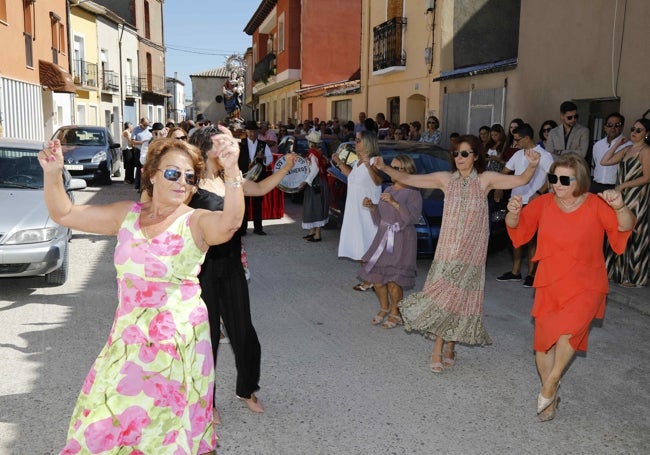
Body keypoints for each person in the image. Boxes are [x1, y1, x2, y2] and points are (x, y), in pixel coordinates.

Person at [43, 134, 244, 454]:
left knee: (167, 431)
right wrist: (52, 174)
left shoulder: (196, 221)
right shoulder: (128, 215)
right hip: (126, 342)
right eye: (172, 173)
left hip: (178, 346)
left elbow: (230, 223)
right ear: (152, 174)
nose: (182, 182)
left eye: (189, 177)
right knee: (108, 421)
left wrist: (232, 172)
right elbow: (65, 214)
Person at [375, 135, 541, 372]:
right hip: (448, 249)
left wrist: (533, 165)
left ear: (475, 156)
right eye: (456, 153)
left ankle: (447, 346)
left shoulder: (486, 180)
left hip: (472, 251)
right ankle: (441, 347)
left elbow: (521, 178)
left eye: (465, 153)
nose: (459, 158)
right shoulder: (445, 179)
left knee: (461, 297)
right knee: (445, 295)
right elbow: (409, 177)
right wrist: (383, 167)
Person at [505, 153, 634, 421]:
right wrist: (513, 214)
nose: (557, 184)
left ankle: (550, 384)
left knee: (570, 332)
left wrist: (620, 207)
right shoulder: (543, 203)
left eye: (565, 179)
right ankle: (550, 396)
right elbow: (518, 230)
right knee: (543, 345)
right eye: (553, 178)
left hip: (587, 283)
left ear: (580, 180)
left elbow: (625, 226)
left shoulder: (596, 205)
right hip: (550, 282)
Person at [187, 126, 296, 418]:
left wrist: (285, 169)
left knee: (244, 333)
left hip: (232, 266)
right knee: (206, 338)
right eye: (220, 144)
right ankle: (206, 402)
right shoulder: (191, 185)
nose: (227, 149)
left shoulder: (232, 180)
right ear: (204, 148)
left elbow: (259, 188)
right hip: (202, 271)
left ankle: (246, 389)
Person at [359, 154, 422, 329]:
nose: (392, 171)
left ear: (407, 171)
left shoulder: (414, 192)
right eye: (391, 167)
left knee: (394, 280)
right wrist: (372, 207)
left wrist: (395, 204)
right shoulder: (387, 190)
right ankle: (384, 307)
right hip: (383, 237)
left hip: (402, 239)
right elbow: (380, 220)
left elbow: (412, 218)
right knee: (377, 279)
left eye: (396, 168)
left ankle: (396, 313)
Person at [495, 124, 554, 287]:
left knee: (532, 239)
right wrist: (499, 186)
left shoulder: (544, 155)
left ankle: (531, 274)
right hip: (516, 202)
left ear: (527, 138)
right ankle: (515, 271)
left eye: (518, 140)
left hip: (534, 202)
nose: (515, 143)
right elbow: (505, 172)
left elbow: (552, 177)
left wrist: (540, 193)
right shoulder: (517, 155)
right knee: (516, 238)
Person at [600, 118, 650, 287]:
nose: (634, 133)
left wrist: (623, 185)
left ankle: (632, 276)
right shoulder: (627, 148)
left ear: (647, 134)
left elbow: (647, 177)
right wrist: (617, 144)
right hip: (621, 196)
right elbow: (604, 161)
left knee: (633, 233)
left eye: (639, 130)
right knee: (617, 230)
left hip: (637, 198)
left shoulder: (646, 151)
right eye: (632, 129)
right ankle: (614, 271)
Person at [331, 130, 382, 291]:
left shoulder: (374, 160)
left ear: (367, 143)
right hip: (355, 211)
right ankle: (369, 279)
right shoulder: (357, 161)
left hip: (368, 212)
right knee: (361, 245)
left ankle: (375, 280)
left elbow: (379, 180)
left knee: (368, 246)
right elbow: (351, 176)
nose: (355, 142)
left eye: (358, 140)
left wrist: (369, 166)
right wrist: (338, 162)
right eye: (355, 139)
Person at [238, 120, 273, 235]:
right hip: (244, 178)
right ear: (246, 132)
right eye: (250, 131)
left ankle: (258, 228)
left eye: (254, 131)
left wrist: (263, 158)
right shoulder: (240, 144)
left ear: (257, 132)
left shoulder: (263, 145)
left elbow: (270, 159)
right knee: (244, 204)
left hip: (258, 179)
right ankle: (243, 229)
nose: (252, 134)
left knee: (257, 204)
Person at [301, 130, 330, 242]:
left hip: (315, 182)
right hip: (319, 182)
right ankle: (312, 232)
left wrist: (306, 181)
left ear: (311, 142)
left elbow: (315, 169)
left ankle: (317, 234)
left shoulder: (312, 153)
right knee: (314, 206)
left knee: (316, 206)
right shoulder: (318, 152)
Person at [590, 113, 627, 193]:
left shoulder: (628, 145)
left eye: (617, 125)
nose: (613, 128)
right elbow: (596, 164)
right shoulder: (598, 145)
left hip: (616, 187)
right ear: (605, 127)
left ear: (622, 127)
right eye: (610, 125)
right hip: (596, 185)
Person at [131, 117, 152, 191]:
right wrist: (142, 142)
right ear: (141, 123)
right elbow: (133, 142)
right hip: (138, 151)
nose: (146, 126)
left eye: (147, 125)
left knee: (146, 169)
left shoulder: (150, 129)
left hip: (148, 151)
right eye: (145, 125)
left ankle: (145, 186)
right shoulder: (136, 130)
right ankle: (138, 185)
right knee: (139, 168)